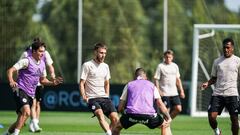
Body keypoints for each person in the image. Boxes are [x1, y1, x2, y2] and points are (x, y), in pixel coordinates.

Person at [5, 40, 63, 135]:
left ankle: (7, 133)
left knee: (21, 119)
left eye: (43, 51)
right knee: (27, 112)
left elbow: (42, 80)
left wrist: (53, 82)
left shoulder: (42, 64)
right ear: (34, 51)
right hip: (20, 89)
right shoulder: (26, 61)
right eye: (40, 51)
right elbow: (10, 70)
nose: (42, 53)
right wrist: (11, 81)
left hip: (31, 94)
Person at [112, 68, 172, 135]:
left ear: (135, 77)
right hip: (149, 116)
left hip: (131, 115)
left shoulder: (129, 85)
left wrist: (123, 114)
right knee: (165, 126)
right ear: (145, 76)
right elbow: (160, 104)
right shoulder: (152, 86)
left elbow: (120, 106)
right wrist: (168, 117)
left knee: (116, 128)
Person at [201, 37, 239, 135]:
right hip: (218, 94)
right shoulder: (217, 61)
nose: (226, 50)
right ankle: (217, 131)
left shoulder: (237, 61)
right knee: (211, 116)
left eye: (228, 47)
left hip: (232, 94)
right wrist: (207, 83)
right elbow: (214, 78)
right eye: (224, 48)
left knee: (234, 119)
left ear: (232, 48)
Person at [79, 42, 119, 135]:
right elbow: (81, 83)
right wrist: (84, 96)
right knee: (100, 115)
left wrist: (107, 95)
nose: (103, 55)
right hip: (92, 98)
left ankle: (108, 132)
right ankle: (109, 133)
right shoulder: (87, 65)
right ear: (95, 52)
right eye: (101, 53)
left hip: (104, 97)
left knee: (115, 119)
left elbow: (107, 83)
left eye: (104, 53)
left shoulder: (106, 66)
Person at [19, 37, 56, 132]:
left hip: (39, 82)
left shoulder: (45, 53)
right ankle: (34, 124)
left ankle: (34, 123)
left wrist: (52, 75)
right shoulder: (26, 54)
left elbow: (50, 65)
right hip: (27, 84)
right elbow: (19, 67)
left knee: (37, 103)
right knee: (33, 103)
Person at [154, 50, 185, 119]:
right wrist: (158, 90)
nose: (168, 59)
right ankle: (166, 124)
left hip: (174, 92)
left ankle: (167, 121)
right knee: (166, 111)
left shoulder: (175, 66)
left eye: (169, 57)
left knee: (178, 108)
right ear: (164, 57)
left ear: (172, 57)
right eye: (166, 57)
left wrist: (181, 91)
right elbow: (156, 79)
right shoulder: (160, 66)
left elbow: (178, 79)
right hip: (164, 93)